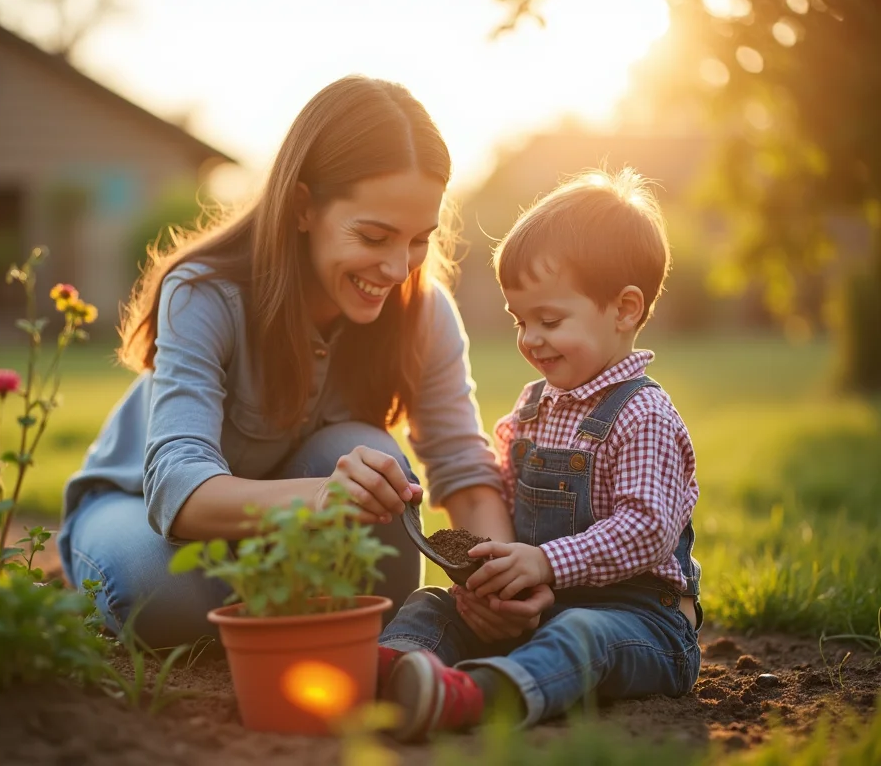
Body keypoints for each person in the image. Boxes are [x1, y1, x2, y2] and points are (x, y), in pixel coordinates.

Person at [56, 75, 531, 648]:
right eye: (373, 236)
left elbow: (464, 473)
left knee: (374, 457)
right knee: (160, 594)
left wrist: (505, 579)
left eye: (417, 239)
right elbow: (178, 486)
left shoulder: (422, 311)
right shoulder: (206, 294)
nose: (396, 268)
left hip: (277, 527)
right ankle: (253, 599)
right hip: (138, 504)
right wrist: (321, 498)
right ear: (304, 207)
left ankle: (276, 605)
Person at [377, 168, 703, 742]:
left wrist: (547, 563)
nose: (530, 338)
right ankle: (390, 672)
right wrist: (490, 581)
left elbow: (647, 529)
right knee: (431, 604)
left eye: (549, 321)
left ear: (625, 309)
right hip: (542, 605)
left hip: (640, 624)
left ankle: (475, 696)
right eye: (521, 321)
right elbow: (509, 503)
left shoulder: (643, 415)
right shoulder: (534, 406)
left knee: (582, 635)